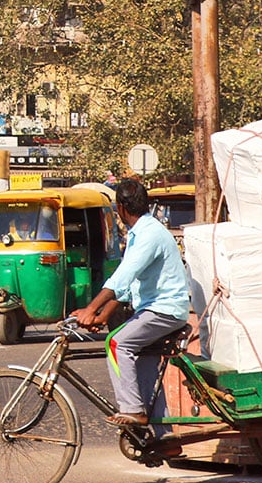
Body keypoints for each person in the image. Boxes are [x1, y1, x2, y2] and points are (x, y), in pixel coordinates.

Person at [73, 178, 190, 429]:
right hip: (154, 308)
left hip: (164, 310)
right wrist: (103, 316)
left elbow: (123, 276)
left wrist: (91, 308)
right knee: (145, 368)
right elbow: (130, 285)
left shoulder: (149, 234)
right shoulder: (141, 233)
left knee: (116, 344)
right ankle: (164, 436)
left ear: (121, 207)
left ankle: (132, 409)